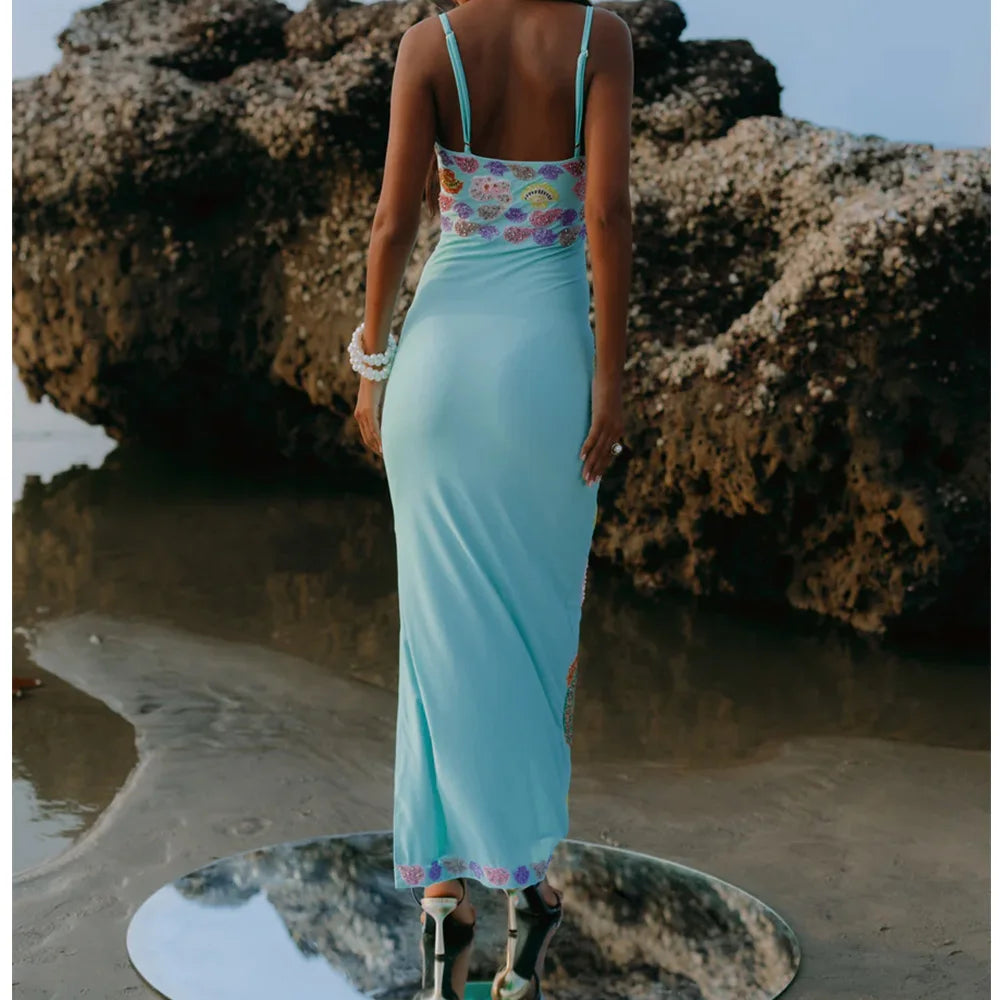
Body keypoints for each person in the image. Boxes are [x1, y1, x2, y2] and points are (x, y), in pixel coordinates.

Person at [350, 0, 633, 996]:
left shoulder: (429, 45)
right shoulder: (599, 37)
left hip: (435, 365)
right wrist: (611, 379)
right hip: (541, 365)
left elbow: (393, 224)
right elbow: (605, 216)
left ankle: (444, 897)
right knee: (534, 635)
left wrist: (373, 367)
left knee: (434, 639)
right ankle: (527, 883)